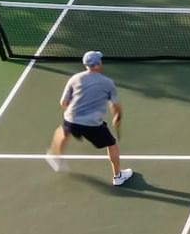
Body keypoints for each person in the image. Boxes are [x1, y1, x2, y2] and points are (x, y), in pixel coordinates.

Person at [47, 50, 134, 186]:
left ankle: (56, 157)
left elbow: (63, 103)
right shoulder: (107, 83)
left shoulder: (75, 79)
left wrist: (77, 111)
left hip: (71, 119)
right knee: (112, 144)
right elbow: (115, 106)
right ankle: (118, 176)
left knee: (64, 130)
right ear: (98, 64)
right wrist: (117, 116)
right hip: (93, 125)